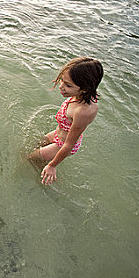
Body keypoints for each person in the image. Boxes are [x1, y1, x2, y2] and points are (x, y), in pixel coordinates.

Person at [28, 57, 104, 185]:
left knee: (31, 158)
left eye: (68, 85)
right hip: (57, 134)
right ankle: (44, 168)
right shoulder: (78, 95)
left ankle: (43, 179)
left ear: (85, 88)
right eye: (62, 80)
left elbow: (69, 145)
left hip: (64, 144)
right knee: (32, 146)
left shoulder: (83, 111)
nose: (61, 86)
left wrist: (52, 165)